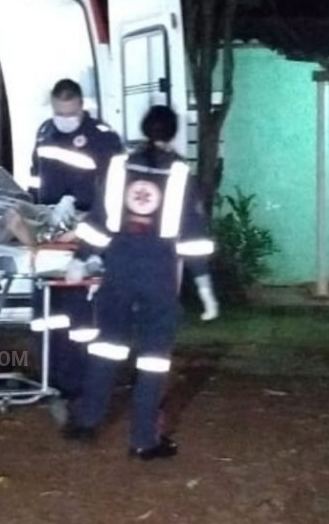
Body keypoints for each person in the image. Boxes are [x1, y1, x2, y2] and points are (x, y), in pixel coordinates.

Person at [61, 105, 218, 460]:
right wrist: (205, 286)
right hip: (159, 276)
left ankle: (87, 422)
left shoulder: (119, 166)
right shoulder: (180, 173)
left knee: (106, 348)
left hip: (119, 270)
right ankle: (144, 440)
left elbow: (100, 218)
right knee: (153, 360)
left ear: (144, 129)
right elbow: (192, 234)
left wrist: (81, 258)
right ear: (173, 133)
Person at [28, 79, 124, 403]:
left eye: (69, 113)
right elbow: (35, 178)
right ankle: (50, 378)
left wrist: (89, 249)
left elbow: (112, 199)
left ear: (81, 107)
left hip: (84, 234)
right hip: (49, 233)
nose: (63, 119)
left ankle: (83, 384)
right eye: (58, 112)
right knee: (45, 316)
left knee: (80, 321)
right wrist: (38, 214)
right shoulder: (45, 132)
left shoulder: (102, 138)